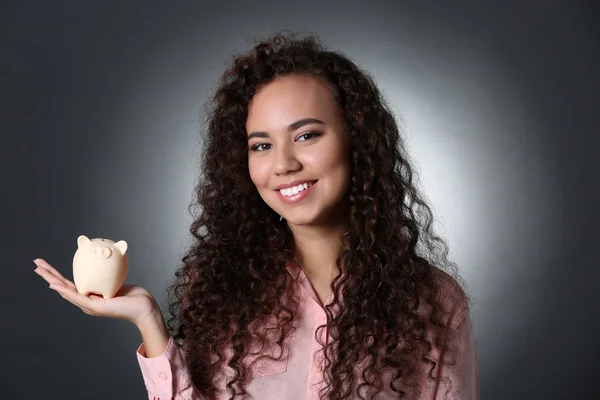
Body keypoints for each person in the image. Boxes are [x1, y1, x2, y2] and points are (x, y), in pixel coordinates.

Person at [33, 31, 478, 400]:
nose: (283, 164)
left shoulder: (435, 303)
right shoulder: (222, 292)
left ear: (356, 141)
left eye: (306, 135)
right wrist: (148, 320)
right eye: (261, 145)